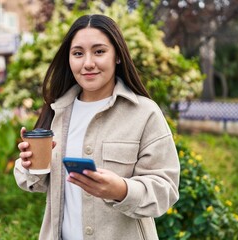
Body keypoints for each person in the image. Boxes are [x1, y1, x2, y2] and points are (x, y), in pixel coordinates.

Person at [14, 14, 180, 240]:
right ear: (69, 59)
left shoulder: (145, 113)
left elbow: (166, 190)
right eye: (78, 53)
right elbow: (35, 183)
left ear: (118, 56)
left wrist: (121, 190)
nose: (88, 63)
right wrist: (29, 164)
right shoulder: (56, 111)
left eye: (99, 51)